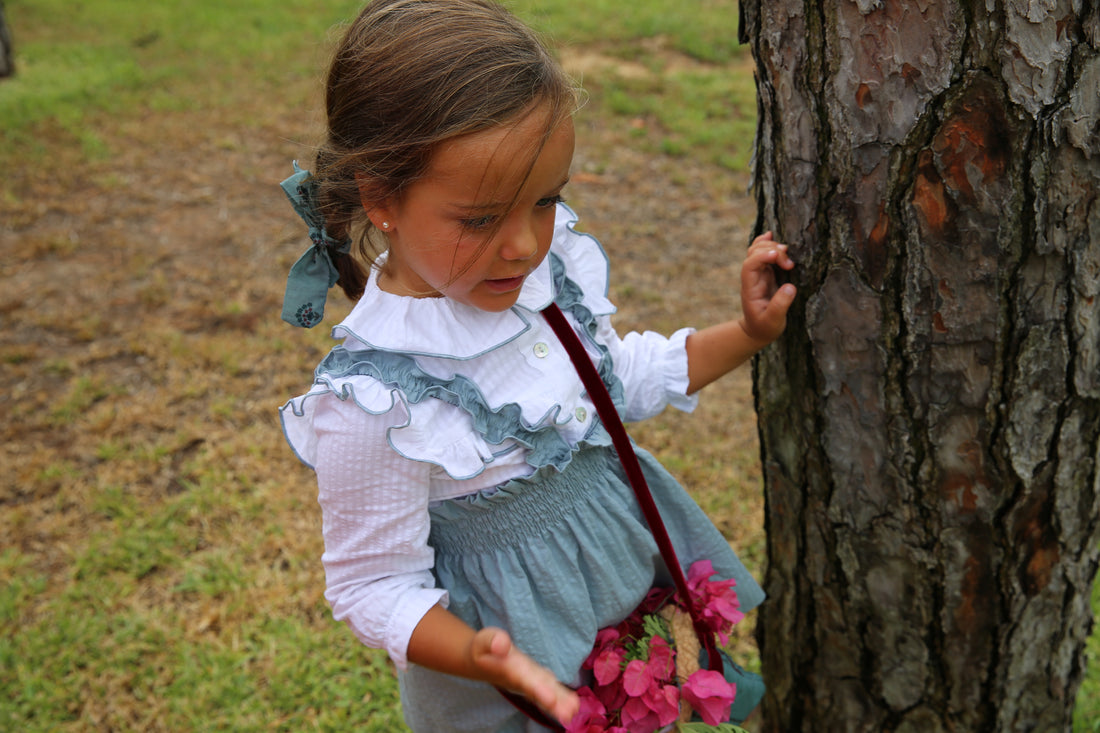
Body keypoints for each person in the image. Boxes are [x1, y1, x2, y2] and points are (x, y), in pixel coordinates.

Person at [278, 1, 797, 730]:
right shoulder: (375, 402)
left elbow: (618, 378)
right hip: (517, 685)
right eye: (481, 218)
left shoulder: (541, 283)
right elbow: (371, 584)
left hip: (621, 626)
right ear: (380, 198)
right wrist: (485, 655)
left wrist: (743, 333)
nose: (524, 245)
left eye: (546, 200)